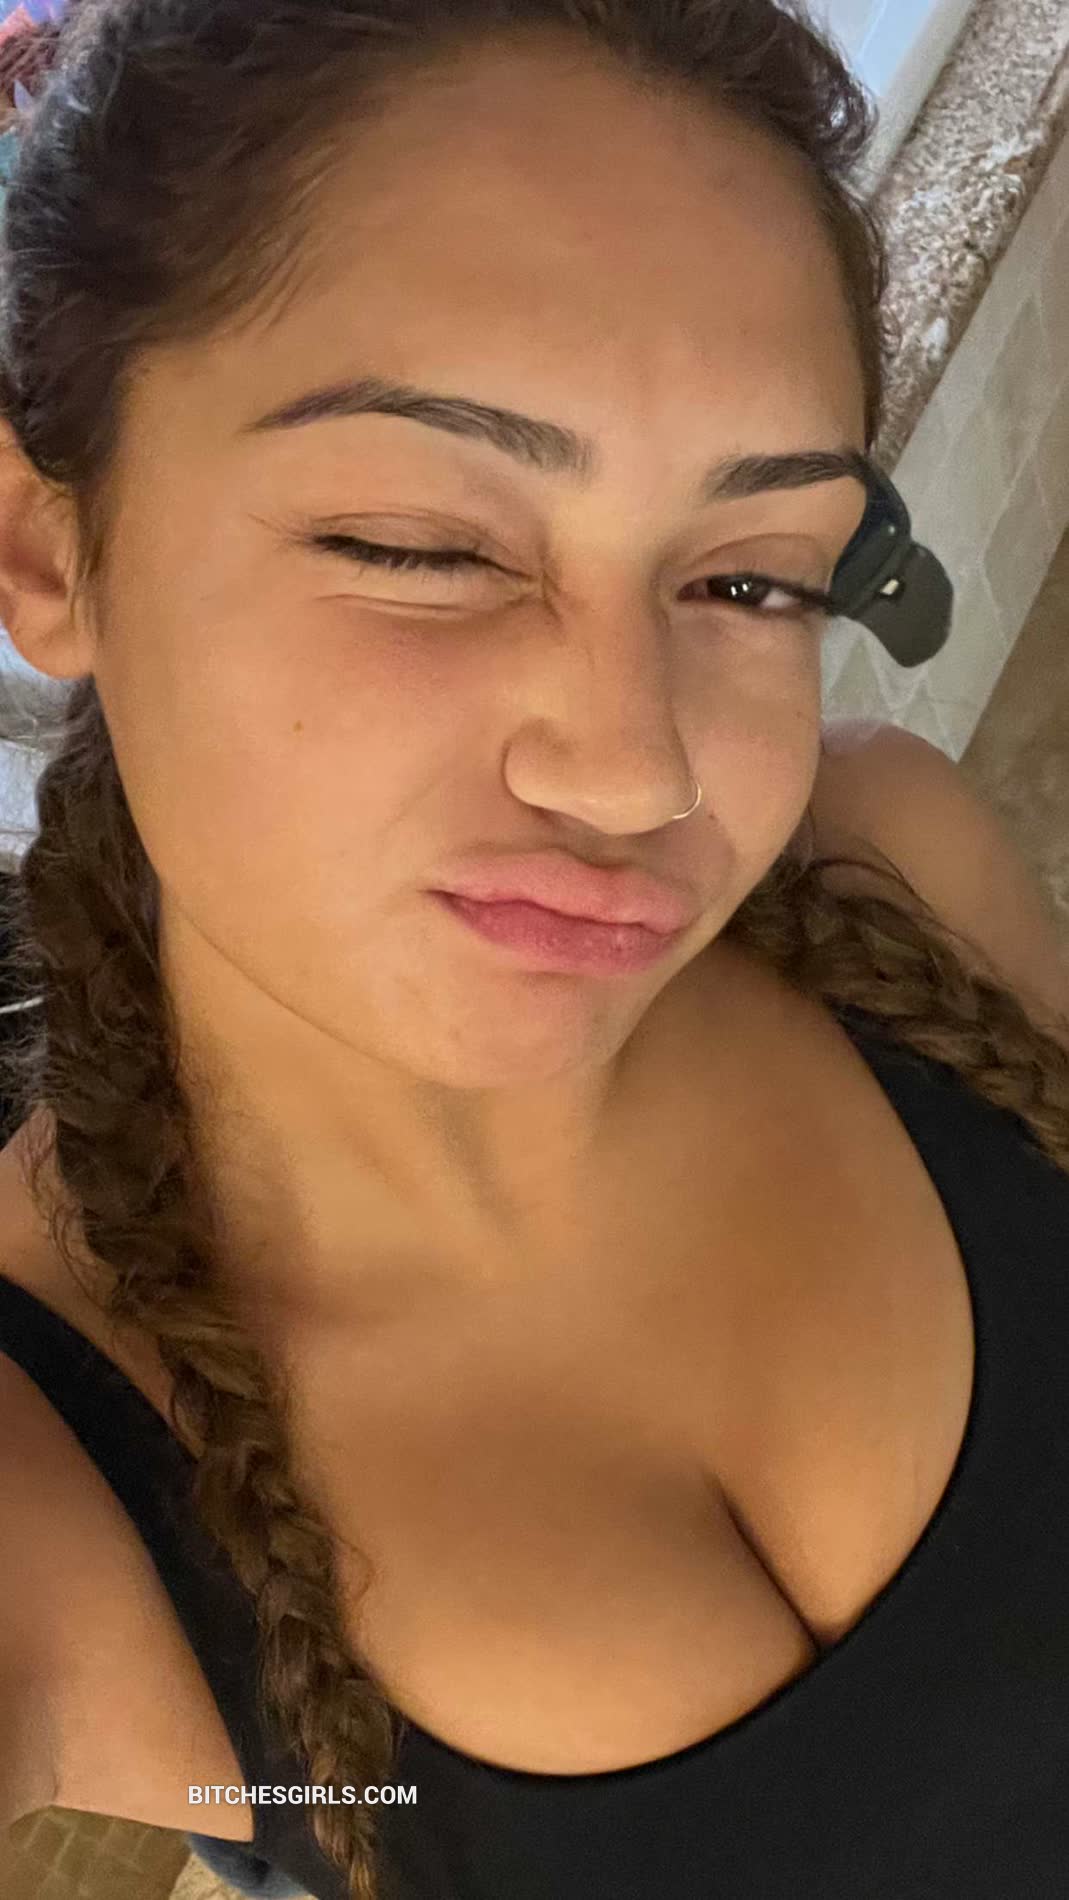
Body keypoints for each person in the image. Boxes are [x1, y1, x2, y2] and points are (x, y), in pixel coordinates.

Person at [0, 3, 1068, 1898]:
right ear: (46, 547)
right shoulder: (46, 1451)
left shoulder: (886, 861)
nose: (639, 768)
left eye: (750, 578)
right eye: (422, 547)